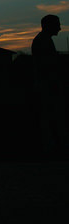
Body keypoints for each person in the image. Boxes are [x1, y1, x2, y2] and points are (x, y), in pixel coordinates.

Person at [30, 14, 66, 154]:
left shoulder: (43, 40)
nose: (60, 28)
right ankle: (51, 148)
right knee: (51, 118)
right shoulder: (43, 41)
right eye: (57, 24)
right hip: (48, 87)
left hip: (47, 86)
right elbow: (48, 66)